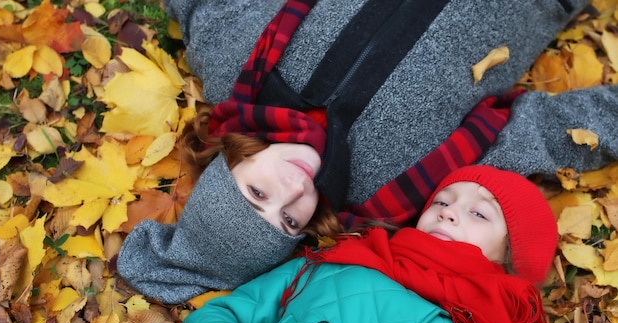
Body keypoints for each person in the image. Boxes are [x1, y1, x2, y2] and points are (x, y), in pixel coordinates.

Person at [117, 0, 618, 304]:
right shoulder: (400, 193)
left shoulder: (238, 67)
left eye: (257, 192)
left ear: (230, 160)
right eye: (290, 221)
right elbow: (550, 132)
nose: (293, 190)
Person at [178, 164, 558, 323]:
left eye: (480, 213)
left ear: (512, 258)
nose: (448, 211)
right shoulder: (340, 263)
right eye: (442, 200)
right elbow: (217, 315)